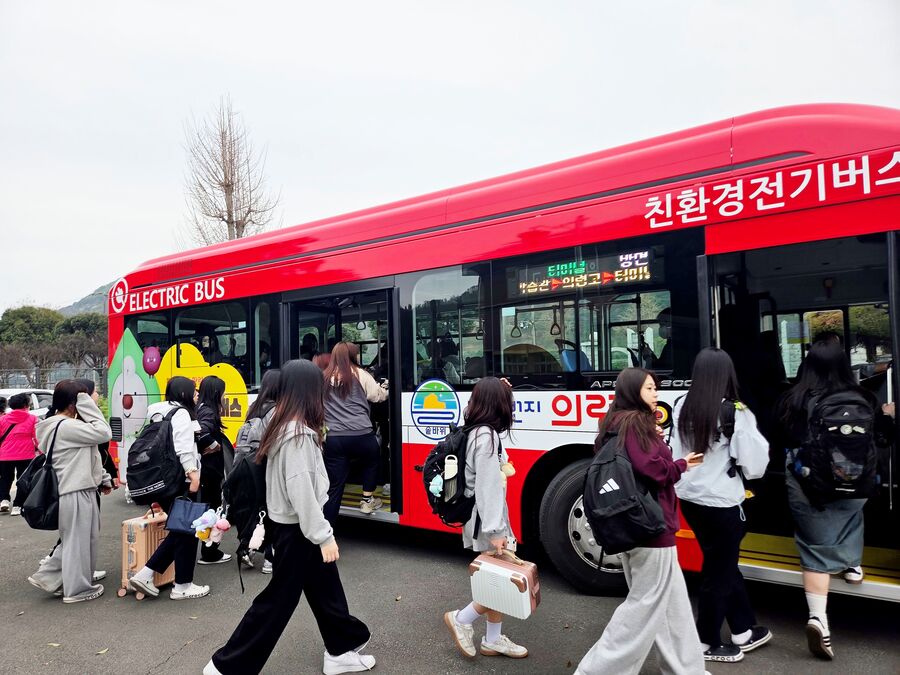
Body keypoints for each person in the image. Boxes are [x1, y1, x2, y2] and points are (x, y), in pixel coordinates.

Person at [204, 359, 374, 675]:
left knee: (325, 588)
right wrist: (323, 536)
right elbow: (302, 493)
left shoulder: (283, 426)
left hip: (291, 527)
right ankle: (227, 665)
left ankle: (341, 648)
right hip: (299, 531)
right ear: (310, 391)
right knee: (278, 601)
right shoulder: (298, 436)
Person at [575, 367, 705, 675]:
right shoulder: (636, 423)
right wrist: (681, 464)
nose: (655, 393)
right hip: (652, 527)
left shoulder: (615, 422)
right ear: (633, 392)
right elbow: (655, 470)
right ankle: (596, 671)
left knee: (673, 607)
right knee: (642, 607)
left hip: (637, 525)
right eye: (649, 388)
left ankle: (686, 669)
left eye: (655, 388)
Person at [777, 339, 895, 660]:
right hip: (859, 484)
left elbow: (782, 438)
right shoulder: (864, 397)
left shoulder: (794, 398)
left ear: (808, 365)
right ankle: (852, 567)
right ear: (844, 364)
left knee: (815, 546)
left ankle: (819, 619)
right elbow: (884, 438)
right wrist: (885, 415)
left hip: (810, 487)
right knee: (850, 515)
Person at [669, 348, 772, 663]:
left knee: (722, 564)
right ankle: (706, 641)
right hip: (723, 503)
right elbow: (755, 465)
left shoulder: (681, 404)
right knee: (718, 572)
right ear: (727, 374)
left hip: (690, 499)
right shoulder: (736, 412)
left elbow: (675, 449)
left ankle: (743, 629)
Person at [443, 377, 528, 660]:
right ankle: (462, 618)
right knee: (498, 581)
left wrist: (499, 387)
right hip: (486, 520)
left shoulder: (478, 431)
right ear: (498, 405)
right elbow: (487, 486)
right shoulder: (486, 437)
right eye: (507, 401)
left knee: (496, 575)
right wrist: (496, 531)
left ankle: (492, 639)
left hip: (483, 517)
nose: (511, 406)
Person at [27, 380, 113, 603]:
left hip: (76, 488)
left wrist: (103, 478)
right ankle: (77, 590)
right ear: (75, 403)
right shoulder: (66, 426)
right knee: (78, 542)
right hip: (75, 489)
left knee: (75, 539)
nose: (94, 399)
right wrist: (86, 403)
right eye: (88, 397)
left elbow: (88, 456)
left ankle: (48, 577)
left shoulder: (60, 425)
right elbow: (104, 432)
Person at [128, 376, 210, 601]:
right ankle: (181, 585)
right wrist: (193, 474)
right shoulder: (180, 413)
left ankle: (150, 576)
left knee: (182, 529)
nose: (196, 395)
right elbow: (184, 447)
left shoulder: (156, 411)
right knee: (187, 529)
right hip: (179, 480)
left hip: (160, 479)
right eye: (193, 391)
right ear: (184, 393)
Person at [322, 342, 388, 521]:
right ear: (352, 356)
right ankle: (367, 499)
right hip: (361, 434)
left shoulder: (324, 377)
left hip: (334, 437)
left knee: (335, 487)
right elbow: (377, 396)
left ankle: (327, 531)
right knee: (372, 460)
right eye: (357, 354)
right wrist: (385, 388)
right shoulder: (361, 374)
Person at [241, 368, 281, 574]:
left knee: (259, 510)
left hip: (251, 465)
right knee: (270, 511)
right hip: (267, 464)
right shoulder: (277, 410)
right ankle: (269, 559)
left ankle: (247, 548)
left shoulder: (254, 407)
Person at [196, 375, 234, 566]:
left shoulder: (200, 408)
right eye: (223, 392)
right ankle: (210, 552)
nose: (224, 396)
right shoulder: (209, 412)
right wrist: (214, 445)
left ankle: (208, 550)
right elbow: (201, 433)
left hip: (206, 470)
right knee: (212, 510)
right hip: (210, 470)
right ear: (216, 392)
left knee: (207, 510)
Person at [0, 392, 38, 516]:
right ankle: (17, 505)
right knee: (23, 479)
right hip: (26, 454)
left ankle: (4, 500)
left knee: (5, 478)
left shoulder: (3, 419)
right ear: (26, 405)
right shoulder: (32, 419)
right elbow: (36, 437)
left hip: (5, 454)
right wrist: (41, 450)